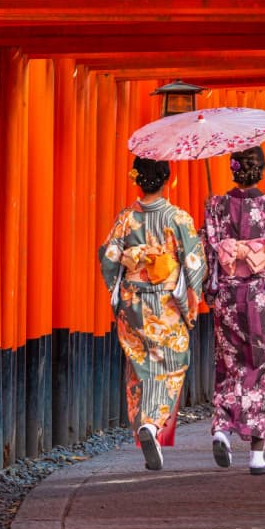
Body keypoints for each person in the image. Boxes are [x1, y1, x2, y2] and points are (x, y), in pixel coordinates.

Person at [203, 145, 265, 474]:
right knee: (260, 373)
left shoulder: (216, 206)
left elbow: (207, 250)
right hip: (261, 299)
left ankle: (222, 427)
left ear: (233, 170)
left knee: (229, 365)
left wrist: (212, 290)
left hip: (229, 300)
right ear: (259, 170)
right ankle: (257, 455)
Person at [98, 157, 207, 471]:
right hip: (167, 304)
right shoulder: (178, 219)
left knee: (139, 362)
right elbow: (195, 265)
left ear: (137, 180)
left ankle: (143, 426)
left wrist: (121, 287)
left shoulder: (126, 218)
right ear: (167, 180)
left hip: (133, 301)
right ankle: (152, 423)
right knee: (171, 363)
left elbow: (109, 257)